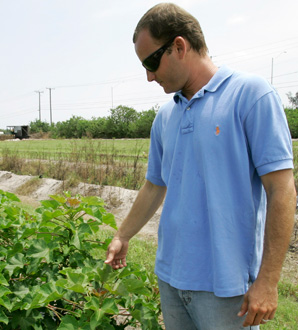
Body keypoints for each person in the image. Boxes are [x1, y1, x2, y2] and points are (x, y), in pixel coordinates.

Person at [104, 3, 296, 329]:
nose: (149, 76)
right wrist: (123, 235)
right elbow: (154, 185)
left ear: (179, 46)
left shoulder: (250, 95)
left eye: (152, 62)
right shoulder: (165, 117)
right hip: (170, 278)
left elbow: (282, 190)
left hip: (227, 289)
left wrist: (268, 281)